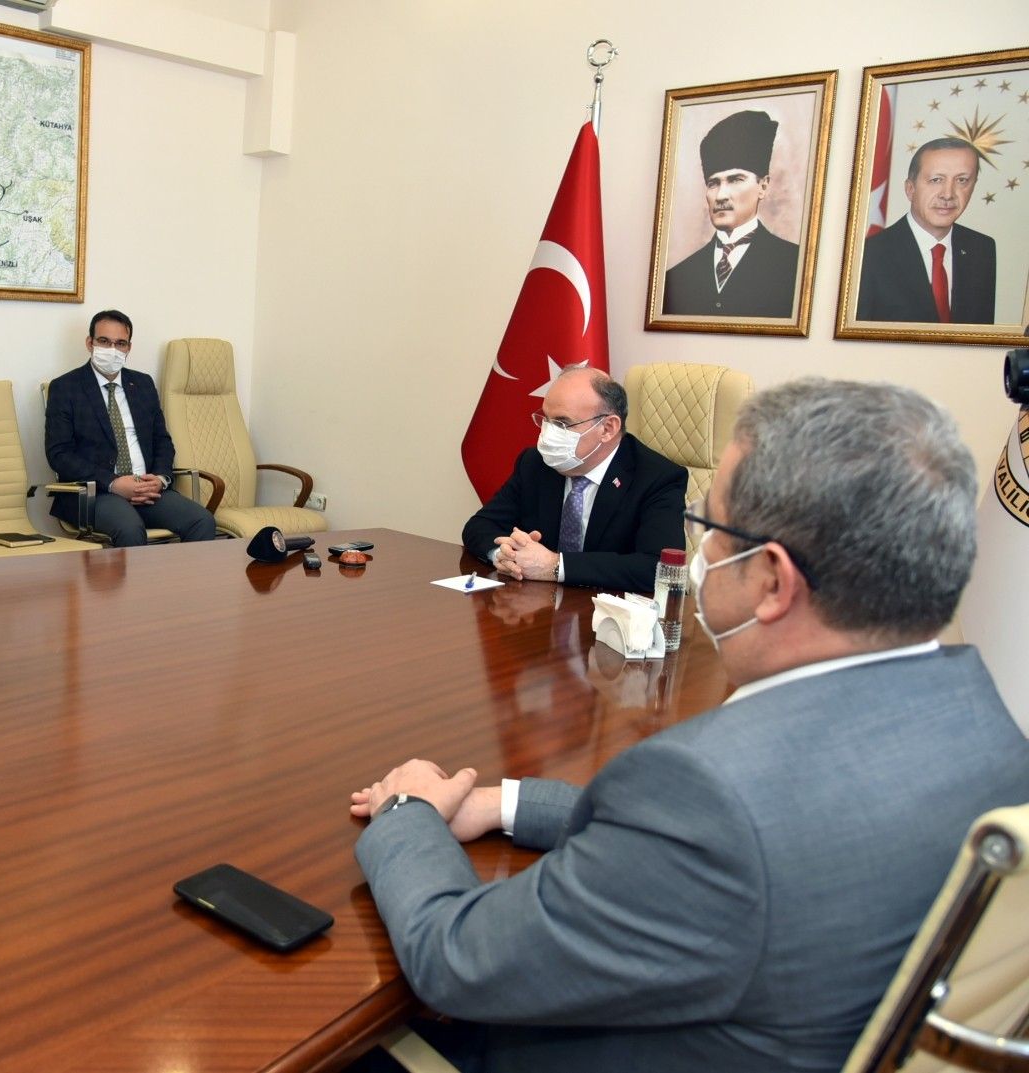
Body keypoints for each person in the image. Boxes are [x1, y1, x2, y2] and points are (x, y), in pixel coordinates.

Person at [351, 379, 1029, 1073]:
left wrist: (409, 811)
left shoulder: (706, 790)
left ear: (772, 581)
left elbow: (459, 961)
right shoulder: (991, 731)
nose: (697, 553)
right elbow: (718, 845)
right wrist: (509, 803)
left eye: (710, 528)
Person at [461, 366, 686, 593]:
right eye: (546, 420)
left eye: (561, 423)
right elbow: (479, 526)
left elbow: (658, 568)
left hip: (608, 609)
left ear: (607, 428)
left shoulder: (657, 477)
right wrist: (504, 554)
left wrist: (555, 565)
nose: (547, 434)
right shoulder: (536, 463)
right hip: (538, 604)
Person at [43, 309, 217, 546]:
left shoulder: (142, 384)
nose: (112, 349)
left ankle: (185, 574)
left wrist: (160, 478)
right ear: (90, 343)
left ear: (129, 348)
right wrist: (114, 483)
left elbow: (162, 441)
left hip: (147, 489)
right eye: (104, 341)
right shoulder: (65, 387)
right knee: (129, 528)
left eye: (120, 343)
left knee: (202, 520)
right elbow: (59, 455)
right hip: (97, 493)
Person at [663, 109, 800, 318]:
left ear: (763, 186)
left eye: (736, 180)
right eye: (713, 183)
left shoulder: (795, 266)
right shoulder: (677, 278)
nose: (721, 195)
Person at [857, 137, 996, 324]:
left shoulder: (982, 249)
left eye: (962, 180)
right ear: (910, 189)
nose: (948, 194)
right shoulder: (869, 255)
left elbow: (980, 336)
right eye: (936, 180)